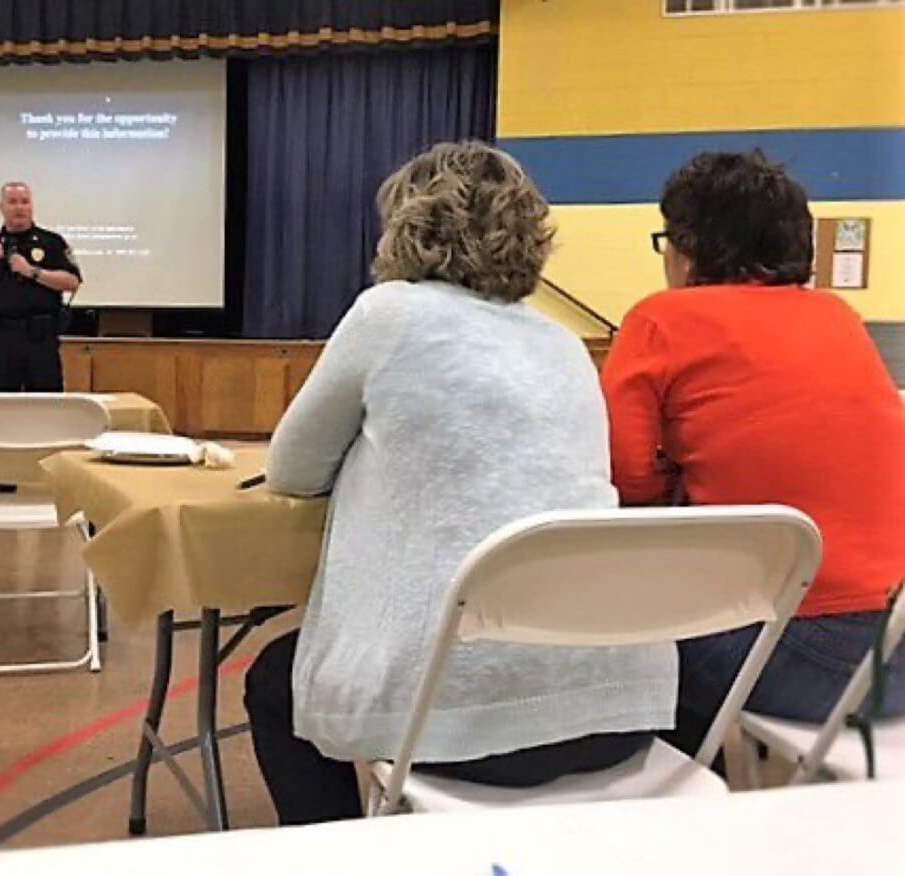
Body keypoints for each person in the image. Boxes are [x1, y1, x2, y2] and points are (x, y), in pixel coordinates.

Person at [244, 142, 677, 826]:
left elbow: (291, 469)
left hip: (457, 725)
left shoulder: (387, 315)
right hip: (618, 709)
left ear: (405, 227)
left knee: (274, 683)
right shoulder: (564, 344)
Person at [600, 150, 905, 758]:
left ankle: (684, 804)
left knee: (626, 640)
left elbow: (625, 481)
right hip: (894, 654)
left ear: (687, 248)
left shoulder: (661, 320)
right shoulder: (837, 317)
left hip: (806, 659)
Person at [0, 182, 81, 391]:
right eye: (12, 202)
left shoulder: (51, 242)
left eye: (24, 202)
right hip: (0, 337)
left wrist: (33, 272)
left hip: (40, 338)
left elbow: (72, 282)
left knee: (45, 407)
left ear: (32, 206)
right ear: (1, 207)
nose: (19, 207)